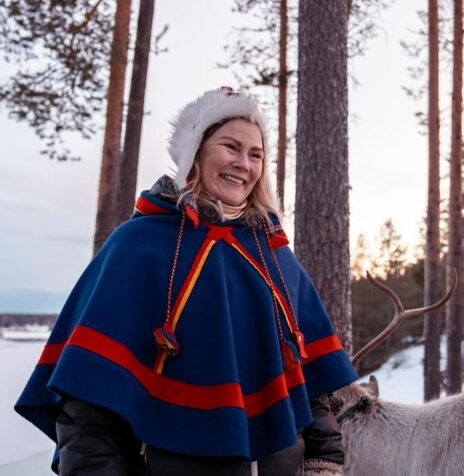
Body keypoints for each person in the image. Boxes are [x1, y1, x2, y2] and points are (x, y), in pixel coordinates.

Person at [16, 88, 358, 475]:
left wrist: (322, 461)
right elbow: (88, 410)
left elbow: (308, 381)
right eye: (230, 147)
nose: (243, 164)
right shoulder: (139, 247)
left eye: (256, 154)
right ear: (195, 151)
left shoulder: (274, 256)